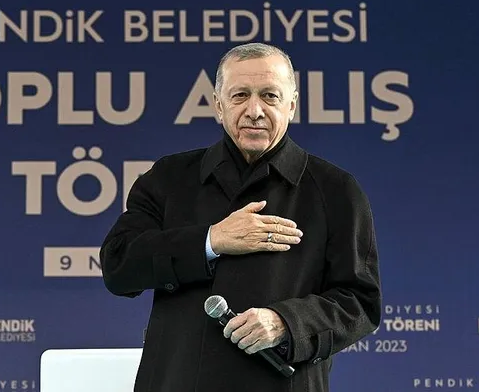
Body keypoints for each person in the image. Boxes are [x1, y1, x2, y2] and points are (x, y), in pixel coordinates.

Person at [99, 42, 382, 392]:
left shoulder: (336, 190)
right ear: (219, 105)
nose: (255, 111)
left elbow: (360, 303)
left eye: (270, 96)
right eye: (240, 96)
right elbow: (118, 265)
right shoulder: (169, 178)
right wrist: (210, 240)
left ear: (292, 105)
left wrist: (286, 323)